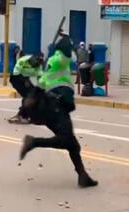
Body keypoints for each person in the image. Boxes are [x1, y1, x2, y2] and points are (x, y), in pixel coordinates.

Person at [19, 32, 98, 188]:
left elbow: (41, 83)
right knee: (67, 140)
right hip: (56, 106)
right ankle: (33, 142)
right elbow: (69, 52)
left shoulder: (51, 62)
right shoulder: (61, 60)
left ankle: (83, 176)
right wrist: (68, 37)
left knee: (72, 145)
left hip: (49, 107)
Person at [8, 53, 44, 124]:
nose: (34, 65)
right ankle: (22, 115)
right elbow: (16, 73)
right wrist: (25, 81)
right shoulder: (23, 60)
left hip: (26, 79)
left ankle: (25, 114)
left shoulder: (38, 65)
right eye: (34, 63)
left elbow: (40, 77)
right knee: (28, 96)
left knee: (34, 95)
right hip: (17, 79)